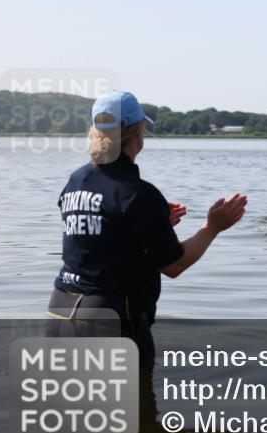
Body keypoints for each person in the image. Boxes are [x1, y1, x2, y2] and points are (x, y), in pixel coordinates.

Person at [47, 91, 247, 367]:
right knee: (132, 408)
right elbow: (174, 265)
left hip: (60, 312)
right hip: (110, 320)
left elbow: (94, 236)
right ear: (137, 132)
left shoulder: (77, 180)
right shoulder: (137, 194)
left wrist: (150, 225)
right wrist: (212, 227)